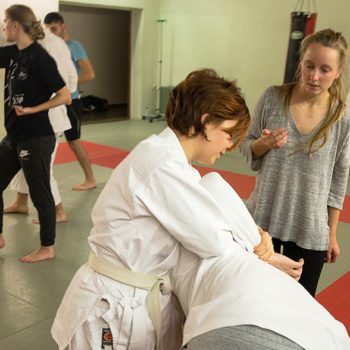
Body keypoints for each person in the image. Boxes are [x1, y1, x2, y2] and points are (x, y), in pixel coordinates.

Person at [51, 69, 286, 350]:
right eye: (228, 133)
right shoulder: (161, 163)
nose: (232, 145)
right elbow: (214, 241)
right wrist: (263, 252)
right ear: (206, 122)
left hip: (137, 297)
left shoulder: (173, 161)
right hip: (115, 305)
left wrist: (258, 236)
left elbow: (211, 211)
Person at [173, 172, 350, 350]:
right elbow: (213, 183)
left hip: (222, 320)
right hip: (310, 332)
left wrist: (260, 243)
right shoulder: (230, 242)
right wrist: (261, 245)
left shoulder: (219, 242)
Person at [240, 28, 350, 296]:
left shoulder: (342, 117)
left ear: (338, 72)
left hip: (309, 229)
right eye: (309, 66)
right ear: (300, 62)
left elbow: (339, 179)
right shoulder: (272, 98)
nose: (314, 76)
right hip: (261, 221)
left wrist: (331, 233)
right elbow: (246, 147)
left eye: (325, 69)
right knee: (251, 300)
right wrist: (262, 145)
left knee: (296, 311)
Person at [0, 4, 71, 262]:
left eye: (5, 22)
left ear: (16, 25)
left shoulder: (40, 58)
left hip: (37, 136)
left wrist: (34, 109)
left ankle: (47, 247)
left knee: (40, 192)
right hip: (14, 135)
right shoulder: (12, 54)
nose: (3, 27)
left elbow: (65, 96)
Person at [3, 28, 78, 223]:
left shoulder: (39, 50)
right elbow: (72, 79)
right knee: (21, 163)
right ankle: (21, 202)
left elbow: (64, 86)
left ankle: (58, 211)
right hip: (28, 121)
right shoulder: (54, 43)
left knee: (41, 170)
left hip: (46, 120)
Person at [44, 11, 97, 191]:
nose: (51, 32)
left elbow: (89, 73)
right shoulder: (49, 46)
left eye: (54, 28)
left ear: (63, 26)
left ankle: (90, 179)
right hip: (55, 102)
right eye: (48, 29)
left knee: (74, 142)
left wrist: (67, 86)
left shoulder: (74, 46)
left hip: (71, 102)